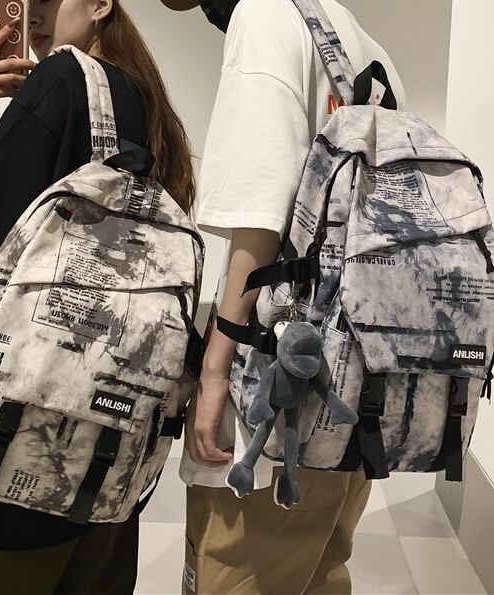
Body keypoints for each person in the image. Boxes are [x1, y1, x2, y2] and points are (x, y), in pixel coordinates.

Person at [0, 1, 194, 594]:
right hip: (111, 458)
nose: (32, 15)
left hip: (16, 438)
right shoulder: (145, 98)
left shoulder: (60, 76)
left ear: (100, 4)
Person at [160, 0, 406, 593]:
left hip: (276, 398)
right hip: (357, 389)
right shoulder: (367, 48)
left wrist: (213, 373)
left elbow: (260, 221)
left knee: (236, 572)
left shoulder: (265, 17)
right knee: (320, 570)